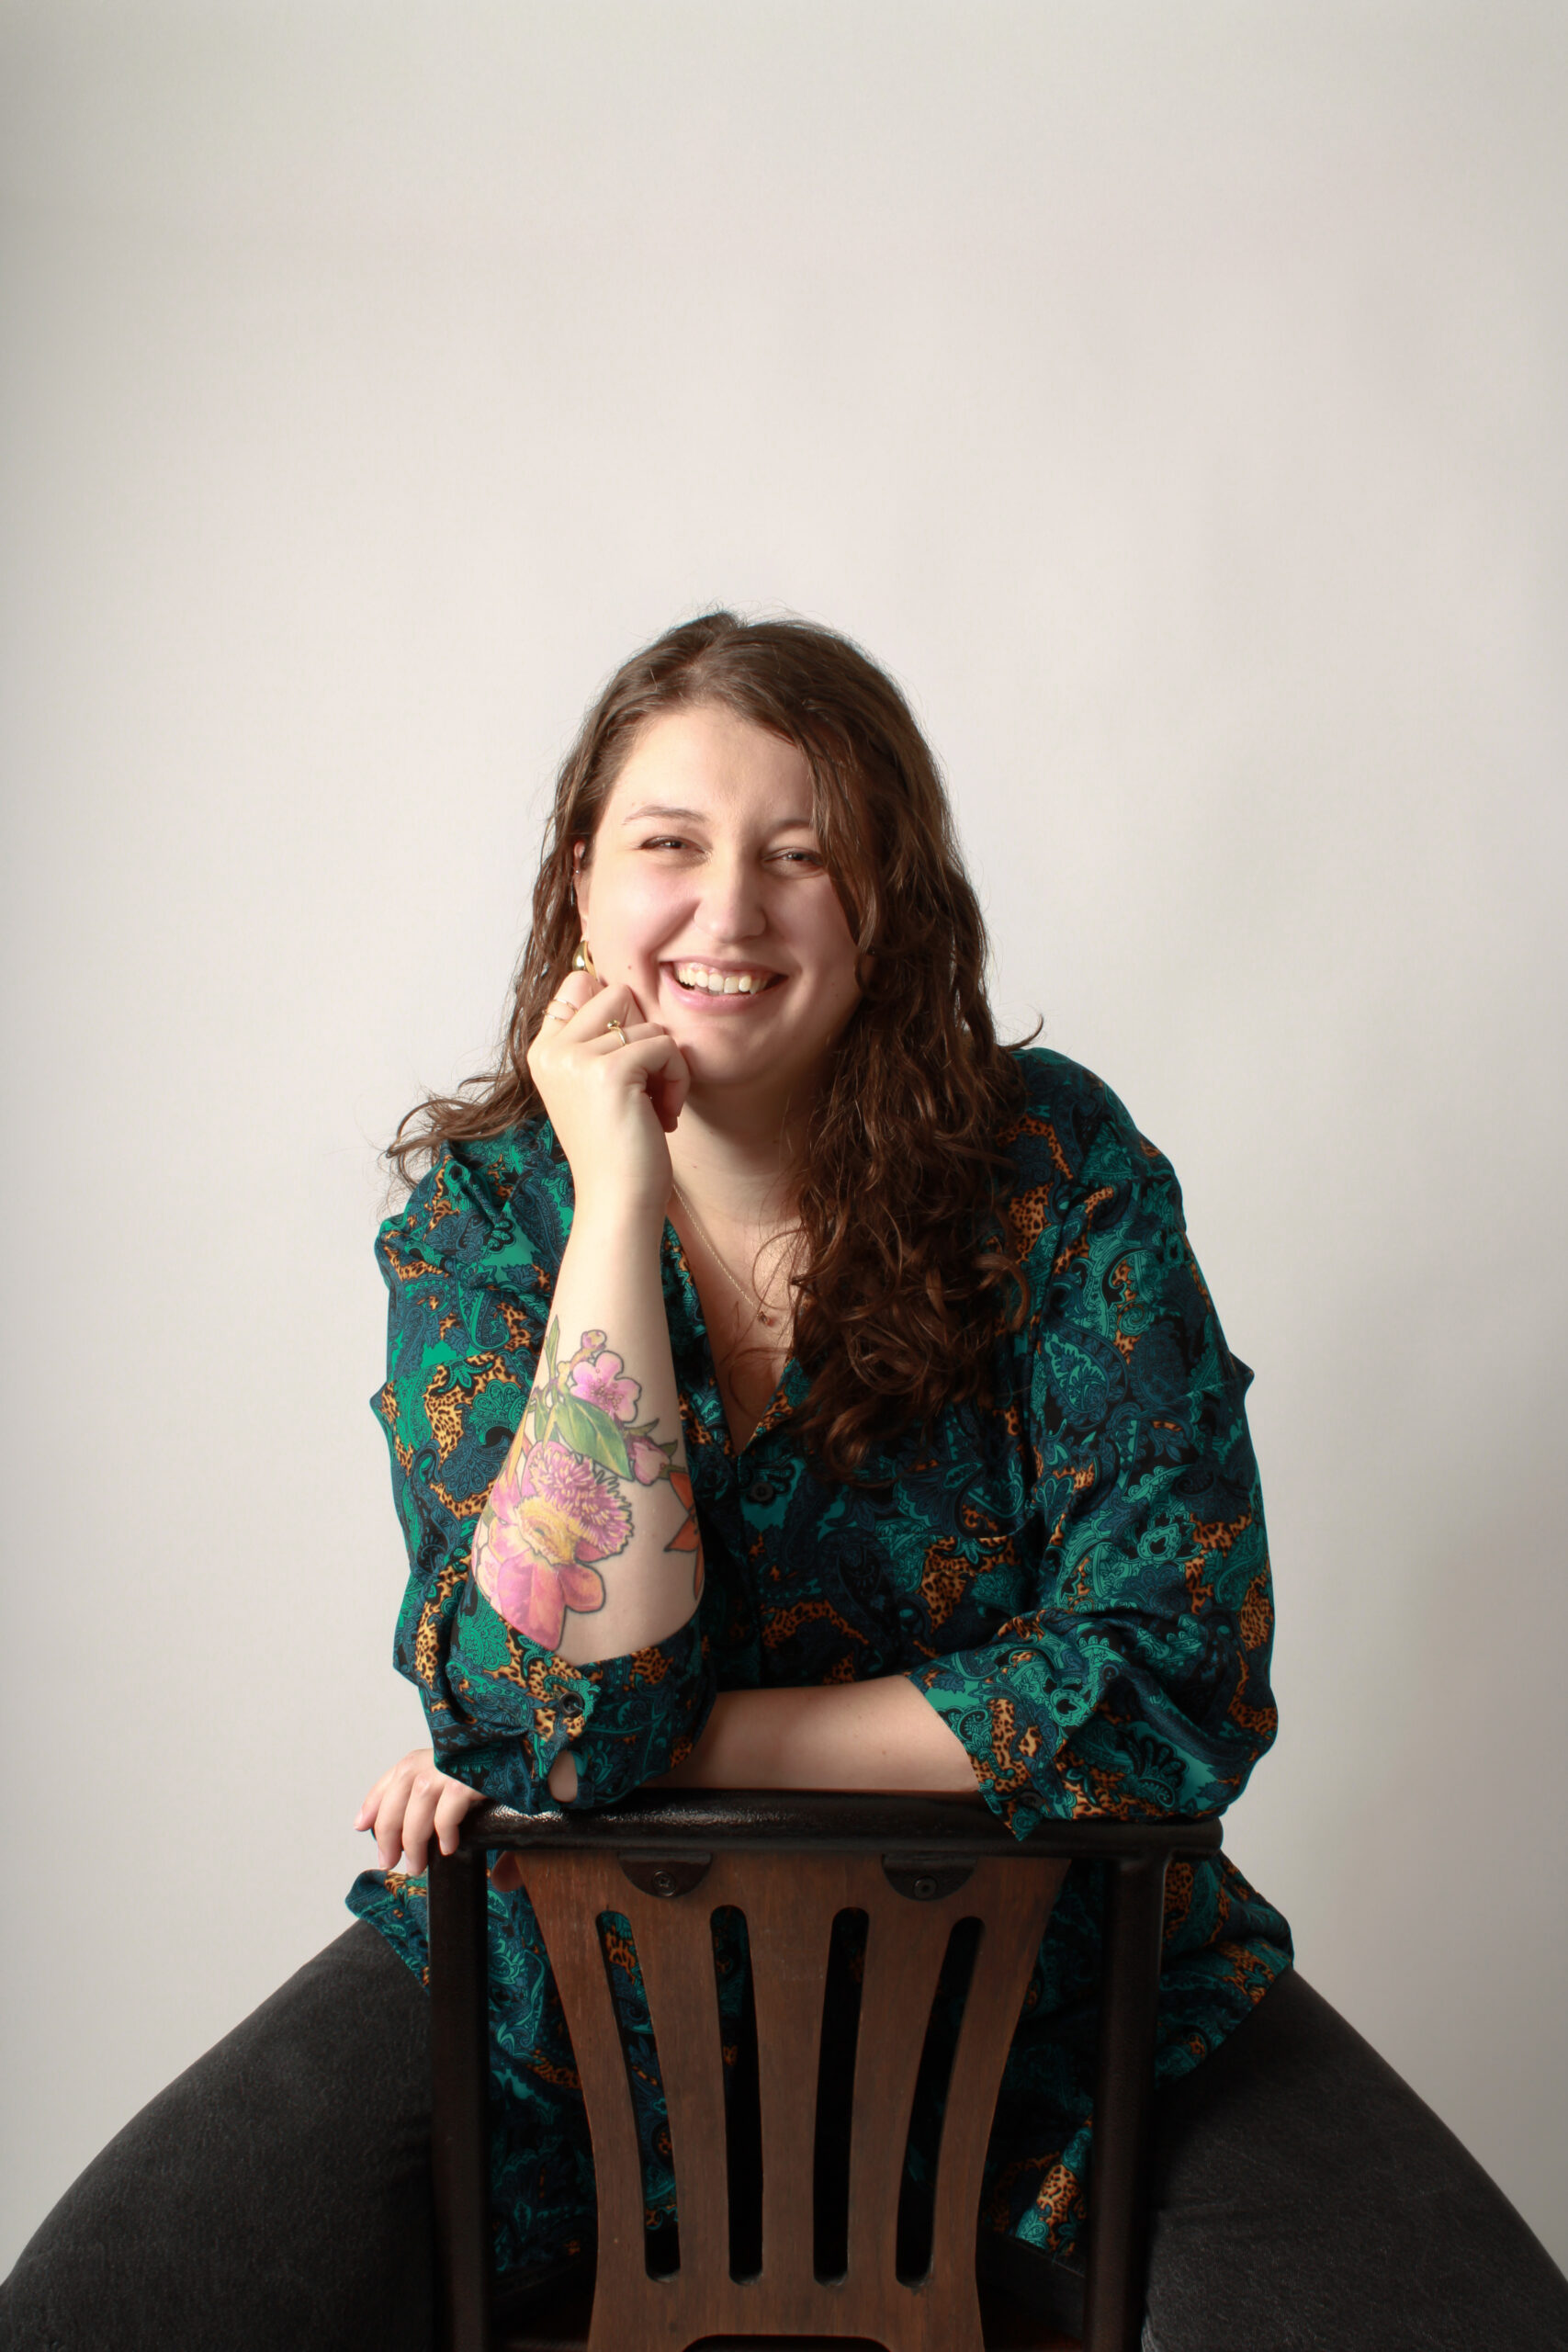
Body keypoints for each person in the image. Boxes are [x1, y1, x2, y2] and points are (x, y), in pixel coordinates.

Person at [5, 614, 1564, 2352]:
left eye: (800, 856)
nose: (729, 914)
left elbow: (1172, 1681)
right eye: (669, 846)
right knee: (105, 2310)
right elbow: (563, 1727)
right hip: (563, 2000)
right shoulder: (491, 1220)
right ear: (579, 884)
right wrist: (617, 1203)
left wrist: (671, 1747)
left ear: (888, 903)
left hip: (1059, 2002)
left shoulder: (1055, 1168)